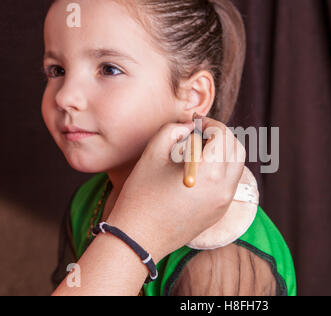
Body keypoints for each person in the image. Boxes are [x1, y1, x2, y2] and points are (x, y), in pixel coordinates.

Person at [43, 0, 296, 296]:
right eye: (57, 69)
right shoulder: (89, 199)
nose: (65, 97)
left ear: (193, 96)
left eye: (109, 69)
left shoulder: (222, 257)